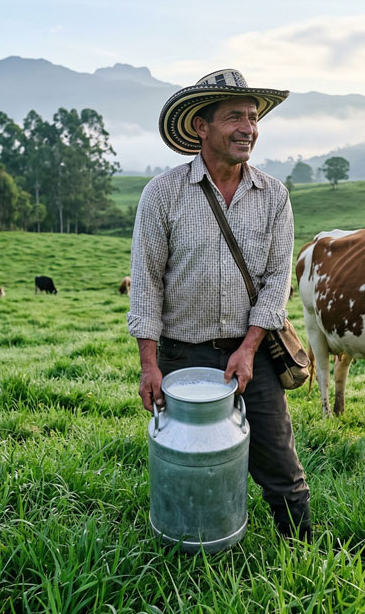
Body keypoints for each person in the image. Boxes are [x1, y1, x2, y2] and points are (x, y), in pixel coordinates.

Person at [128, 69, 311, 540]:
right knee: (189, 461)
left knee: (281, 465)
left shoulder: (273, 196)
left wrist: (249, 348)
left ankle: (302, 553)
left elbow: (277, 281)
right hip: (182, 355)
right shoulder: (163, 194)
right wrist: (149, 364)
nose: (247, 127)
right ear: (200, 127)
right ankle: (189, 549)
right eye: (234, 117)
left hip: (252, 354)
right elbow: (146, 283)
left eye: (252, 117)